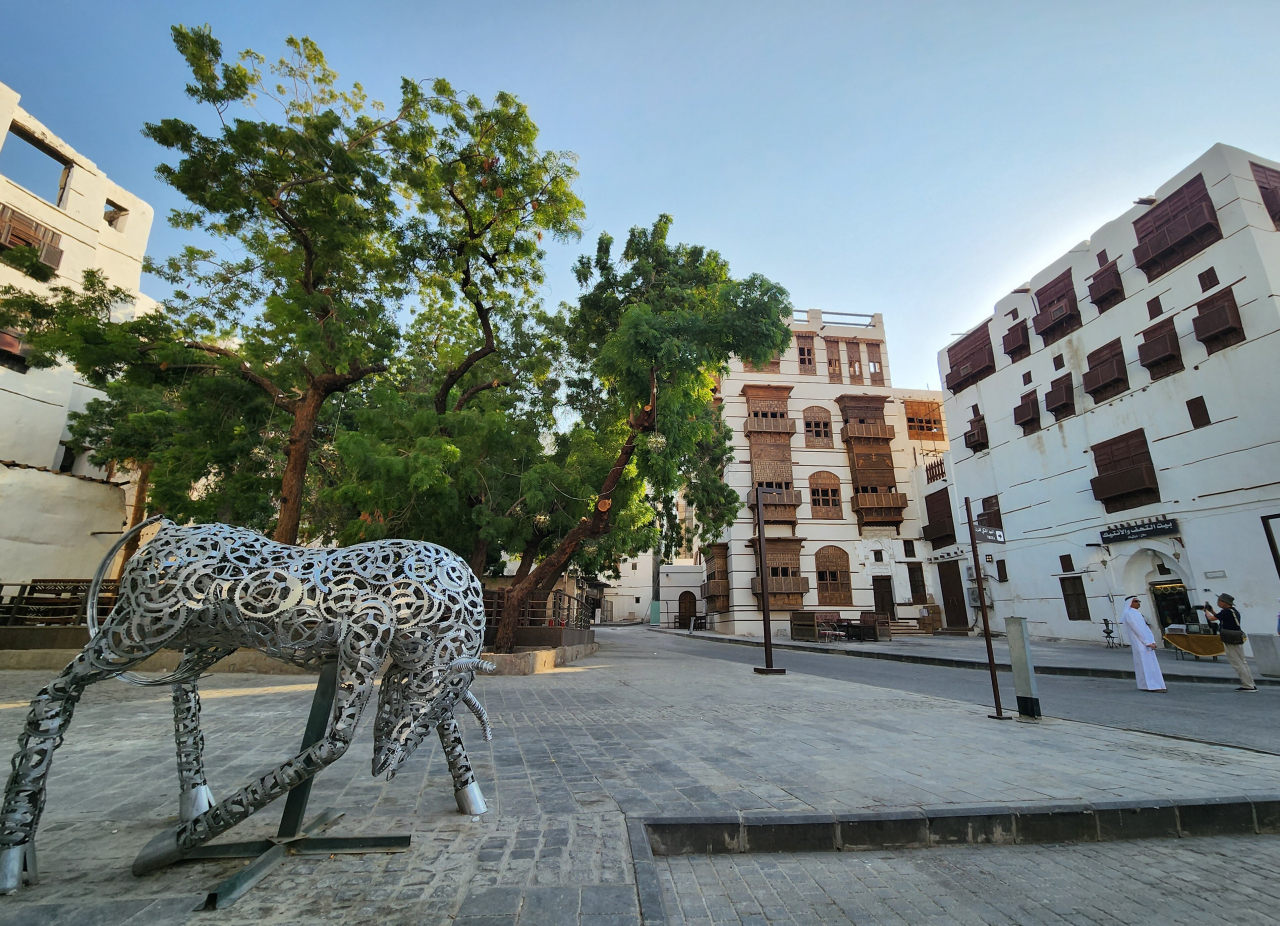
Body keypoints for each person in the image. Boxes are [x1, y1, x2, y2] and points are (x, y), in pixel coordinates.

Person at [1206, 593, 1256, 691]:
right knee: (1242, 662)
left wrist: (1206, 611)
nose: (1218, 603)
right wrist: (1211, 610)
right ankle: (1250, 683)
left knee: (1236, 662)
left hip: (1230, 639)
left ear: (1224, 602)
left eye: (1219, 601)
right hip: (1237, 637)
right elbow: (1217, 616)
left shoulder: (1227, 612)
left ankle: (1247, 685)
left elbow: (1212, 618)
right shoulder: (1233, 611)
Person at [1120, 597, 1166, 692]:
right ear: (1130, 603)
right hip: (1139, 643)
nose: (1138, 603)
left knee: (1151, 664)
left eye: (1138, 601)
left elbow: (1146, 629)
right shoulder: (1129, 614)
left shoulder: (1138, 614)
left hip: (1147, 642)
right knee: (1144, 664)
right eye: (1136, 601)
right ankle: (1150, 685)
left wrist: (1152, 641)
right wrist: (1146, 642)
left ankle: (1153, 684)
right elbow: (1137, 630)